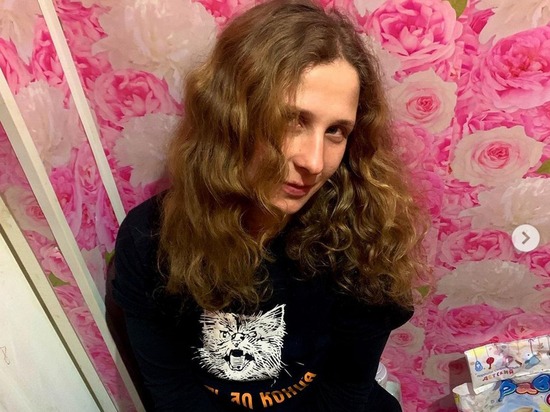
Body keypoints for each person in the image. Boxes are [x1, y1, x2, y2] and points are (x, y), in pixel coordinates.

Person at [112, 0, 427, 410]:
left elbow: (346, 387)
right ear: (232, 116)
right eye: (293, 120)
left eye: (336, 130)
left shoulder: (365, 234)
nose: (314, 162)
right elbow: (172, 390)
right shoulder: (150, 239)